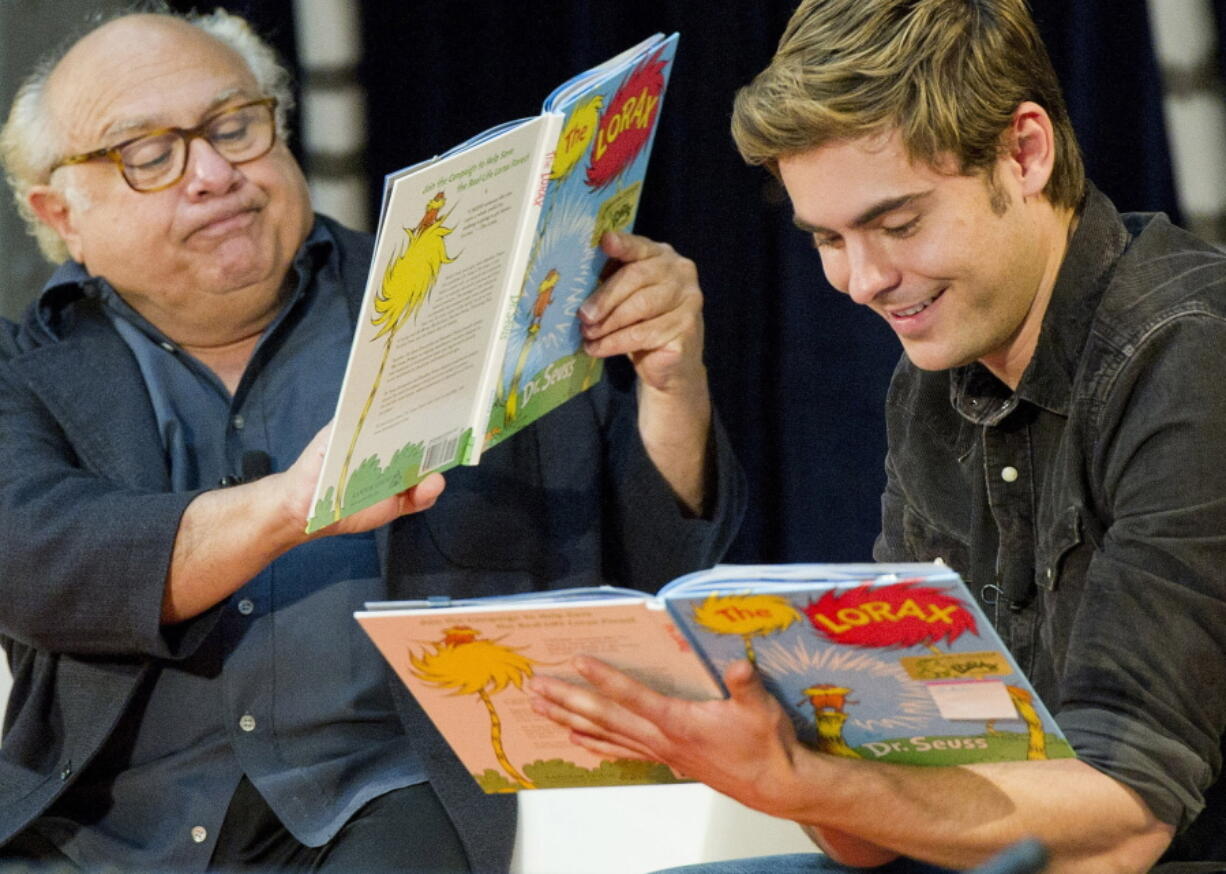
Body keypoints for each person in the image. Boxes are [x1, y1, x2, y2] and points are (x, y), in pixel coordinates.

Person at [0, 9, 744, 873]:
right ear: (63, 212)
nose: (211, 173)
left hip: (393, 793)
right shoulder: (25, 372)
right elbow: (36, 557)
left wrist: (672, 382)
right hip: (107, 824)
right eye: (149, 155)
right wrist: (293, 505)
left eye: (234, 126)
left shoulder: (458, 297)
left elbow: (644, 565)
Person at [528, 0, 1226, 871]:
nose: (863, 281)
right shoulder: (932, 381)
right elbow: (880, 828)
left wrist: (803, 781)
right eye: (828, 238)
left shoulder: (1190, 353)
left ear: (1025, 152)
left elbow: (1127, 820)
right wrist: (765, 750)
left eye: (898, 225)